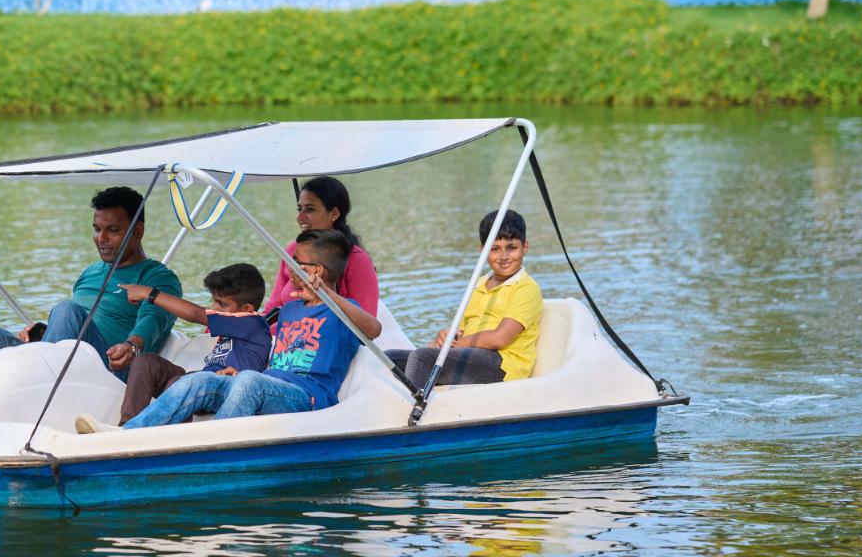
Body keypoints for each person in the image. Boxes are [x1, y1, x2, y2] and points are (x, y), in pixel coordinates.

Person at [0, 187, 181, 411]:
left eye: (112, 230)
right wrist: (44, 333)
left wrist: (132, 345)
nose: (100, 238)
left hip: (114, 371)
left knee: (66, 310)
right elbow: (77, 324)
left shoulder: (158, 277)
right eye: (97, 229)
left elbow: (152, 320)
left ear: (138, 230)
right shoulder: (90, 273)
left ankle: (36, 404)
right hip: (62, 363)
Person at [95, 229, 378, 429]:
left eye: (295, 263)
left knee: (249, 382)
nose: (288, 269)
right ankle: (129, 435)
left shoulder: (342, 311)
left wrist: (331, 296)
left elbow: (373, 329)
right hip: (266, 383)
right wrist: (241, 372)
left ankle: (213, 450)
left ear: (318, 270)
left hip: (308, 396)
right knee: (199, 381)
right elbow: (273, 357)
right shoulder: (289, 309)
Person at [75, 263, 272, 431]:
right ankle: (126, 426)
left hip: (225, 390)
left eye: (221, 304)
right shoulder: (235, 326)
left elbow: (195, 314)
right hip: (203, 382)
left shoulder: (252, 323)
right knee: (146, 361)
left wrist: (149, 293)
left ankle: (155, 437)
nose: (214, 309)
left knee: (180, 382)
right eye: (213, 302)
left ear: (247, 309)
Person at [388, 209, 543, 389]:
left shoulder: (526, 287)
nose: (503, 257)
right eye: (495, 249)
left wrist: (453, 345)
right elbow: (460, 331)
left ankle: (414, 409)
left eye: (511, 248)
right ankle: (388, 408)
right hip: (472, 355)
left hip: (502, 364)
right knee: (390, 358)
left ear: (525, 247)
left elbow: (500, 338)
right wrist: (441, 339)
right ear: (482, 251)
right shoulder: (478, 284)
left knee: (423, 358)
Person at [261, 176, 379, 328]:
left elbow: (368, 326)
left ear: (334, 214)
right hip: (284, 343)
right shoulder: (292, 250)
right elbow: (274, 307)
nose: (300, 217)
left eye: (310, 209)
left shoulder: (357, 260)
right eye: (299, 209)